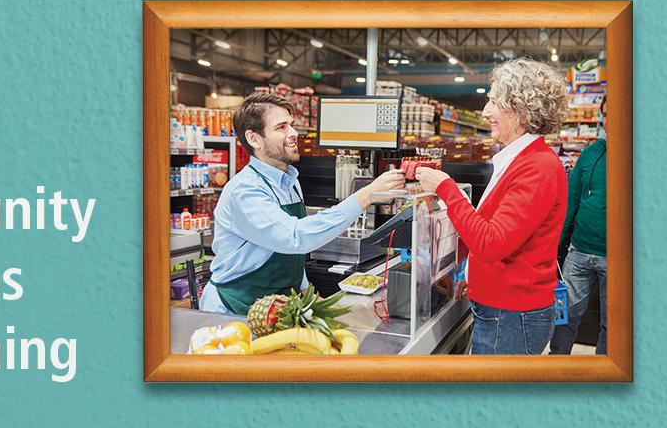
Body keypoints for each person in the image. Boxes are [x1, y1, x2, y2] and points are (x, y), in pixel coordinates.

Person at [199, 91, 405, 314]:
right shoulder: (246, 190)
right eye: (281, 127)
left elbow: (291, 254)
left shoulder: (290, 181)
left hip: (276, 306)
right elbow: (295, 237)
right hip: (235, 307)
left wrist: (306, 291)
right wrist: (366, 196)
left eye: (292, 125)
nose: (293, 133)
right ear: (254, 139)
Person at [415, 57, 568, 354]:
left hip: (512, 316)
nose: (485, 112)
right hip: (503, 310)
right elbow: (493, 229)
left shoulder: (538, 167)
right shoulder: (521, 160)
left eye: (494, 102)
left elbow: (492, 242)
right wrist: (462, 270)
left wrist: (445, 188)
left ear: (521, 109)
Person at [549, 97, 607, 355]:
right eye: (607, 113)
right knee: (564, 316)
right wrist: (554, 247)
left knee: (613, 325)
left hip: (618, 258)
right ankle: (556, 364)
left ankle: (606, 374)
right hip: (579, 253)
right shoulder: (589, 154)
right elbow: (570, 203)